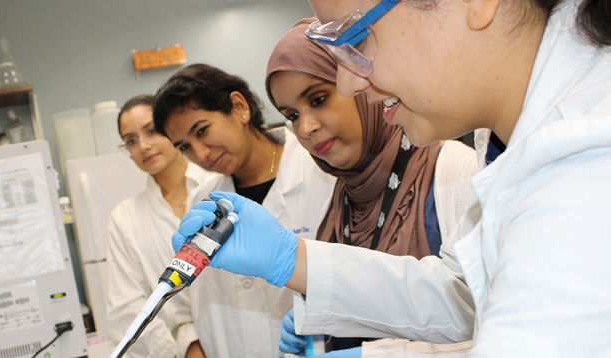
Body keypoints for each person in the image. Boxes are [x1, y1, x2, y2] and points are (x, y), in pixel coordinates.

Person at [176, 0, 611, 356]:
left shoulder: (586, 165)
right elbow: (461, 294)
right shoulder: (507, 142)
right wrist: (292, 259)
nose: (348, 82)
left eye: (356, 37)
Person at [264, 18, 477, 354]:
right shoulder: (336, 205)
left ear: (361, 85)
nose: (305, 127)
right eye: (291, 115)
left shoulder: (454, 173)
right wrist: (319, 328)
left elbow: (490, 326)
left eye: (318, 99)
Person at [152, 63, 336, 357]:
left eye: (202, 130)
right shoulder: (204, 199)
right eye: (185, 147)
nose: (200, 154)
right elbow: (189, 300)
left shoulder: (321, 172)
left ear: (239, 107)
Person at [105, 94, 219, 358]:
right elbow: (125, 307)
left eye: (152, 131)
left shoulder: (218, 186)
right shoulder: (125, 218)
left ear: (171, 129)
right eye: (131, 141)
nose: (143, 146)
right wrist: (186, 347)